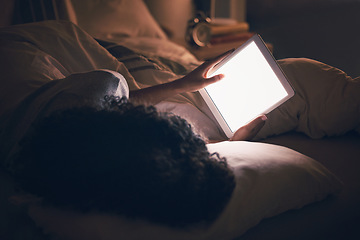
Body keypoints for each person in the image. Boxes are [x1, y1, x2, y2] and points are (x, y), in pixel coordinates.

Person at [0, 21, 266, 229]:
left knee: (135, 64)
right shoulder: (76, 173)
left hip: (31, 41)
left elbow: (120, 102)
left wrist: (181, 83)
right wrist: (233, 143)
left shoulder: (99, 91)